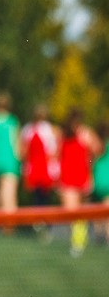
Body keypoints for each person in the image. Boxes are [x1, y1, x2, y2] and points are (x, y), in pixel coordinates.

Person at [58, 108, 102, 256]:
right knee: (71, 212)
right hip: (67, 178)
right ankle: (77, 241)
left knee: (80, 214)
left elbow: (98, 150)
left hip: (82, 177)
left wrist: (90, 164)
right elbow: (57, 155)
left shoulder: (86, 133)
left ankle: (78, 242)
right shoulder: (63, 135)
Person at [19, 104, 60, 206]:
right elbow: (55, 149)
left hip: (33, 166)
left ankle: (38, 219)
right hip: (45, 166)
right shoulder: (50, 129)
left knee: (36, 196)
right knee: (45, 196)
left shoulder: (27, 129)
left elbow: (23, 151)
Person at [92, 123, 109, 244]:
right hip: (106, 181)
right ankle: (107, 238)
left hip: (98, 181)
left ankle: (99, 235)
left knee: (98, 210)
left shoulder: (97, 143)